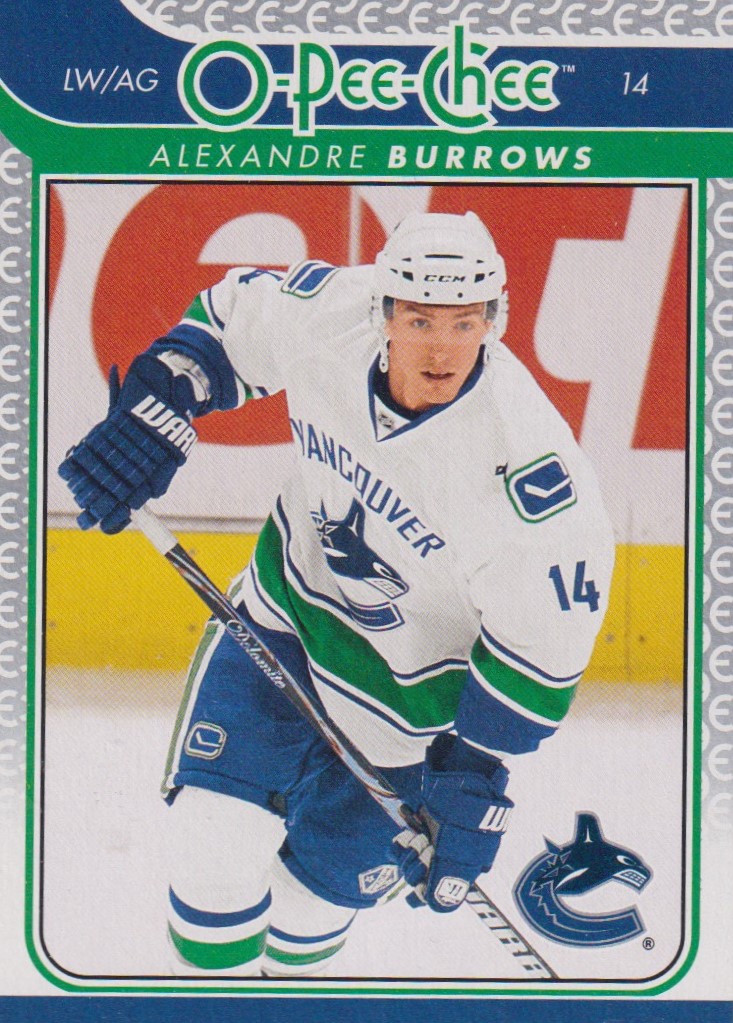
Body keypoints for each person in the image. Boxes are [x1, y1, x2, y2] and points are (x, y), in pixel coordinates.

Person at [59, 210, 615, 978]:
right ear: (382, 310)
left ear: (495, 319)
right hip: (282, 621)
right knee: (210, 846)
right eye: (418, 320)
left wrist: (472, 774)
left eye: (463, 323)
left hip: (410, 714)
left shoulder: (532, 479)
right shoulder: (333, 311)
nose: (440, 347)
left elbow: (539, 648)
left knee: (309, 910)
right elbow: (224, 325)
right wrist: (159, 404)